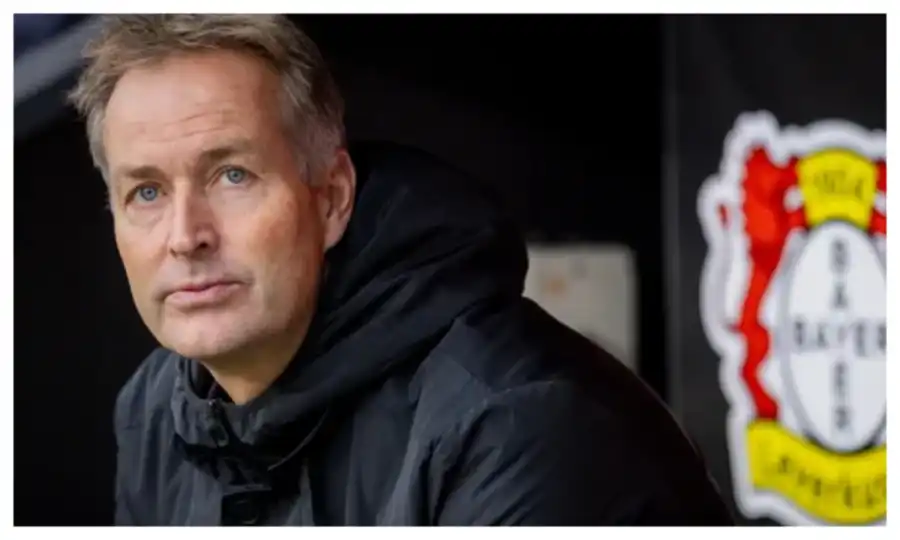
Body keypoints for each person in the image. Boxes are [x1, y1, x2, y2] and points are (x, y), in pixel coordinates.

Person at [69, 14, 733, 526]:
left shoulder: (518, 424)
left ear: (331, 199)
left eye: (233, 175)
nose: (186, 236)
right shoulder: (156, 410)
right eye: (146, 192)